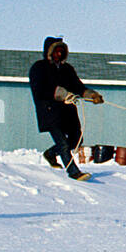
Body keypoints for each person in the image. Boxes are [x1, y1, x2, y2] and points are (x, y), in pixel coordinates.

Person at [28, 37, 103, 180]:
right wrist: (62, 94)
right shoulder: (39, 68)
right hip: (49, 111)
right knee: (62, 143)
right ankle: (73, 172)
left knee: (76, 140)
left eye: (62, 51)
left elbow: (78, 87)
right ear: (49, 52)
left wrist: (91, 95)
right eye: (57, 51)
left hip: (68, 112)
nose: (59, 54)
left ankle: (50, 154)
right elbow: (39, 90)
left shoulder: (67, 69)